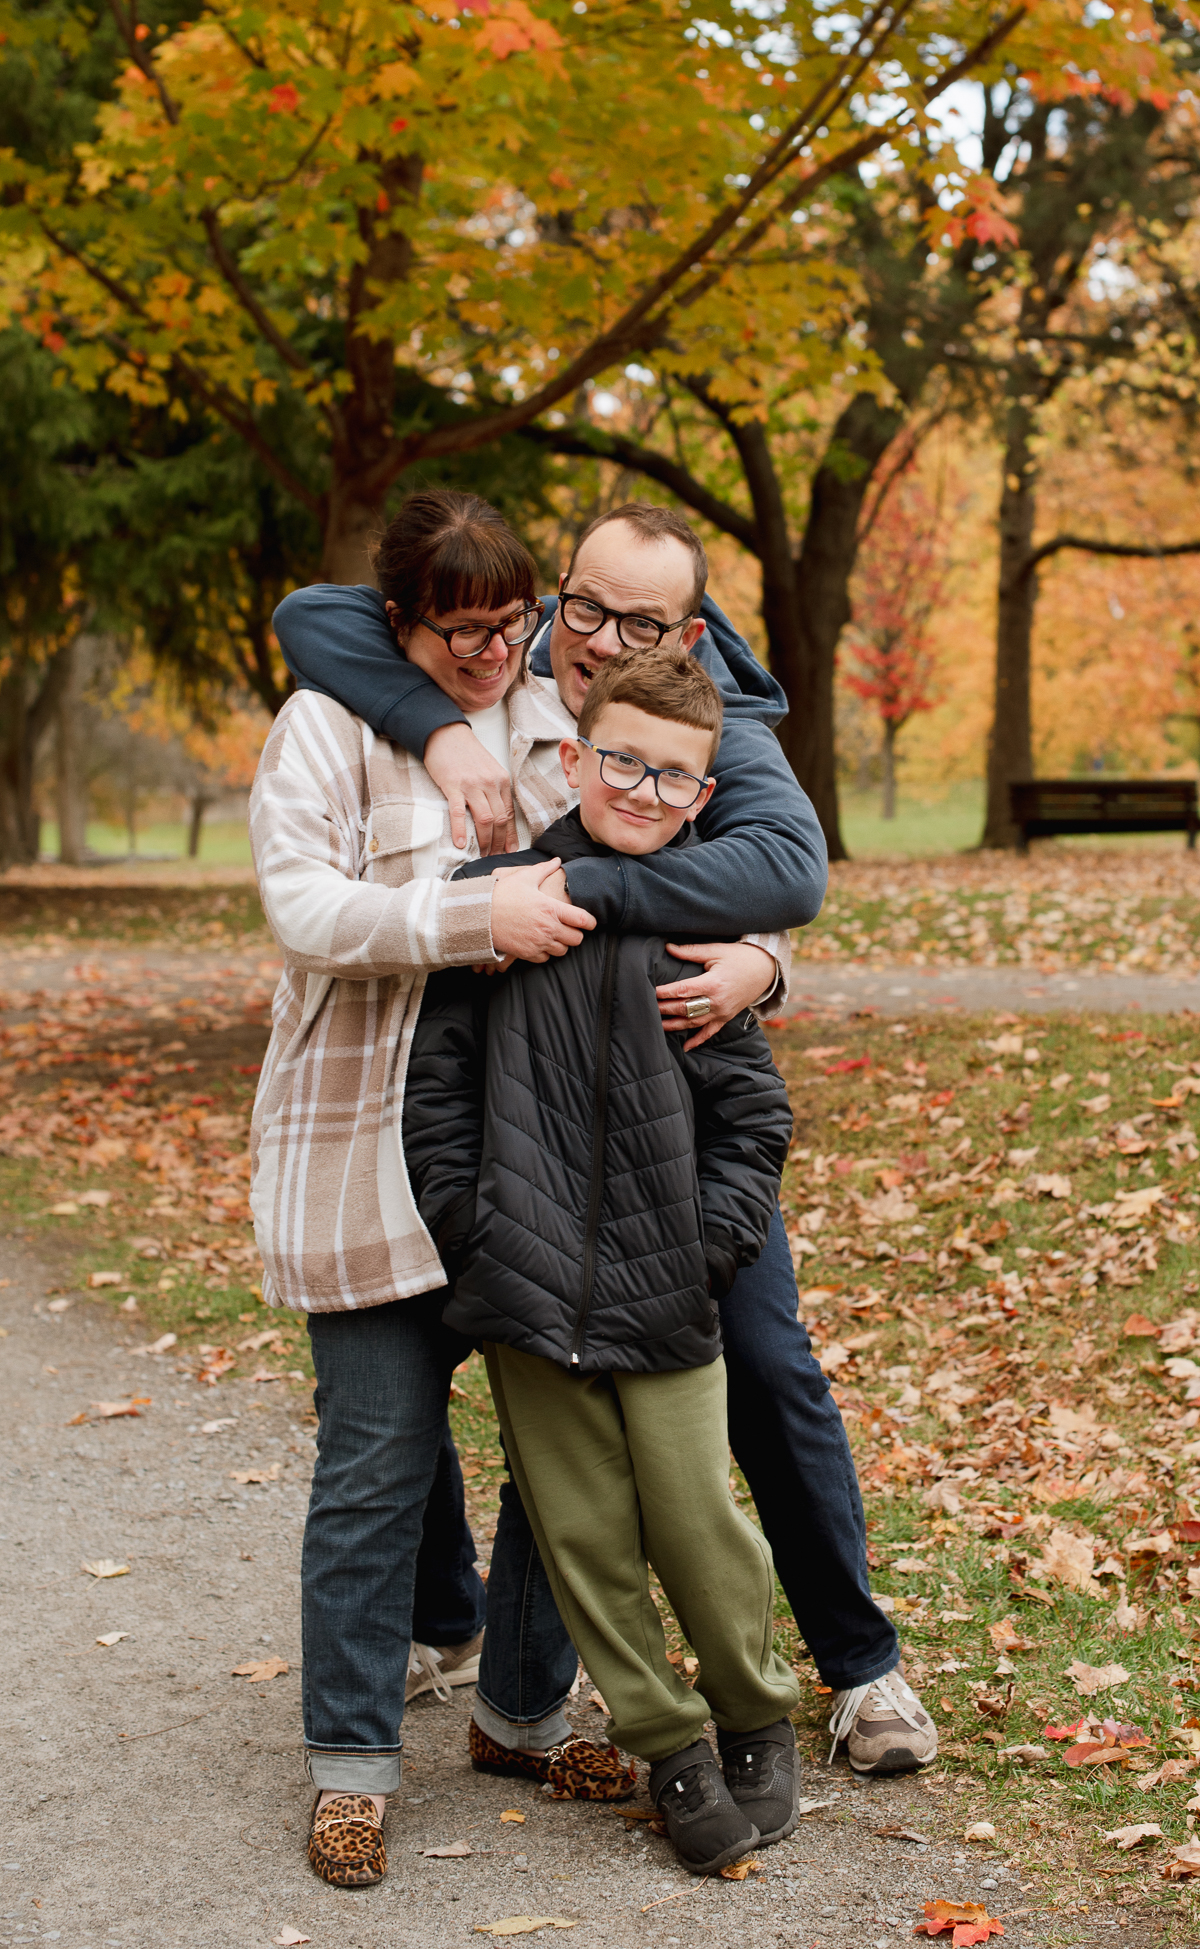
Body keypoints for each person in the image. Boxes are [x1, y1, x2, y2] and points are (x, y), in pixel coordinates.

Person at [273, 501, 938, 1785]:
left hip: (660, 1118)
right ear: (554, 598)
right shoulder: (501, 663)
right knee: (402, 1387)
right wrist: (441, 724)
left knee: (761, 1358)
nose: (600, 639)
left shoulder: (715, 716)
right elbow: (316, 614)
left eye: (640, 619)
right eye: (584, 606)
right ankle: (451, 1634)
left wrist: (738, 951)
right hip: (482, 1113)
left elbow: (784, 869)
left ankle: (858, 1666)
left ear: (691, 632)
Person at [250, 491, 642, 1892]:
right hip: (364, 1153)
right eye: (458, 632)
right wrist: (469, 911)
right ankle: (349, 1767)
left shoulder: (553, 724)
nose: (490, 654)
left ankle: (523, 1715)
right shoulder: (328, 728)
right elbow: (301, 906)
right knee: (373, 1460)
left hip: (533, 1159)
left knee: (560, 1459)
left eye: (508, 625)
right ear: (398, 622)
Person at [403, 645, 801, 1874]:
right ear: (573, 756)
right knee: (580, 1532)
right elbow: (439, 1090)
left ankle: (753, 1711)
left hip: (667, 1285)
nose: (640, 787)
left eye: (673, 776)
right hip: (523, 1281)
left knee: (696, 1520)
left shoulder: (697, 927)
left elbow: (753, 1121)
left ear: (701, 797)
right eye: (620, 758)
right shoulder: (501, 898)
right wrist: (472, 1225)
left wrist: (712, 1247)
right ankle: (669, 1743)